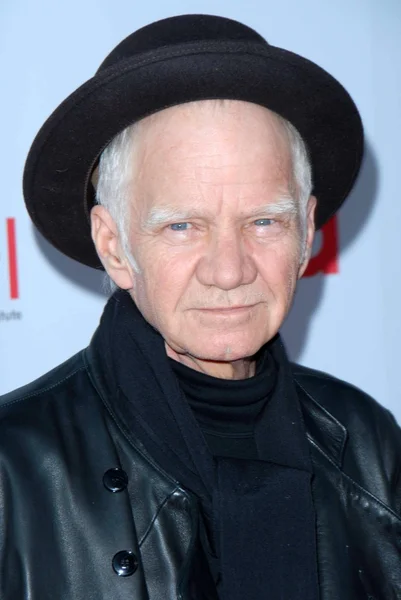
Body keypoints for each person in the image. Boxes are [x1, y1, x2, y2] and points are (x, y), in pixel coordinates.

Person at [1, 13, 401, 600]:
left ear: (308, 232)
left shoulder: (368, 442)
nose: (229, 270)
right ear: (114, 246)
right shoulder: (12, 467)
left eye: (264, 221)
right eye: (183, 226)